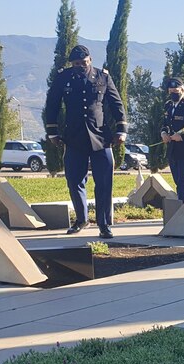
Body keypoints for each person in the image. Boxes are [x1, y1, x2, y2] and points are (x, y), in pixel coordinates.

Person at [45, 45, 128, 238]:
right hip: (74, 137)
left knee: (104, 182)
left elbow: (116, 104)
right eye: (76, 64)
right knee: (74, 181)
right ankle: (81, 219)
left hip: (101, 137)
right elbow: (52, 105)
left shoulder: (102, 76)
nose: (80, 66)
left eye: (84, 63)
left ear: (90, 60)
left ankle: (104, 224)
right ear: (71, 64)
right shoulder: (63, 77)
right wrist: (52, 132)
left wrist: (121, 130)